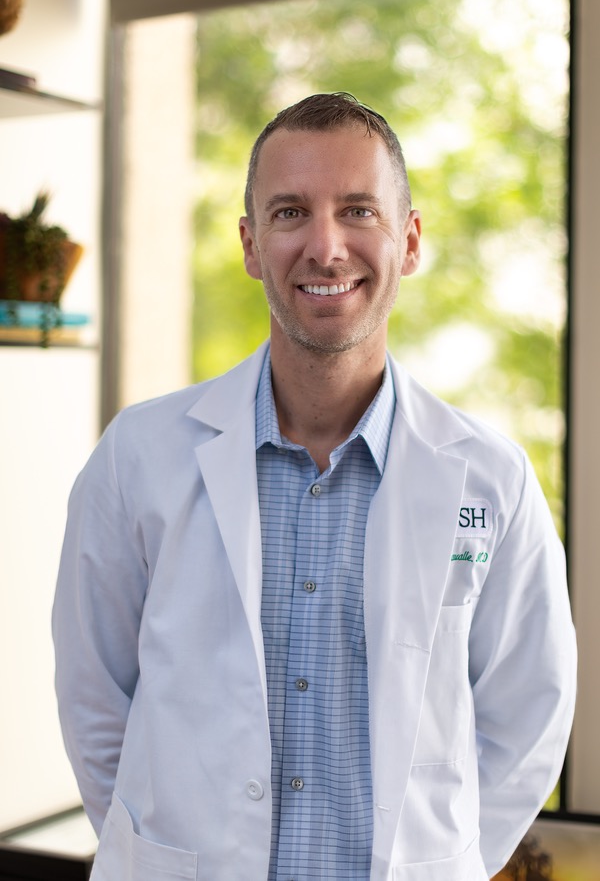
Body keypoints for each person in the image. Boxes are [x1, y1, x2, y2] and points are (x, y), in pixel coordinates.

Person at [52, 92, 577, 881]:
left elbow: (529, 718)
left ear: (410, 240)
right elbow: (93, 697)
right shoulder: (139, 456)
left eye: (358, 210)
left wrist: (438, 863)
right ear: (251, 244)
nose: (326, 248)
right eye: (291, 212)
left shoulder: (491, 478)